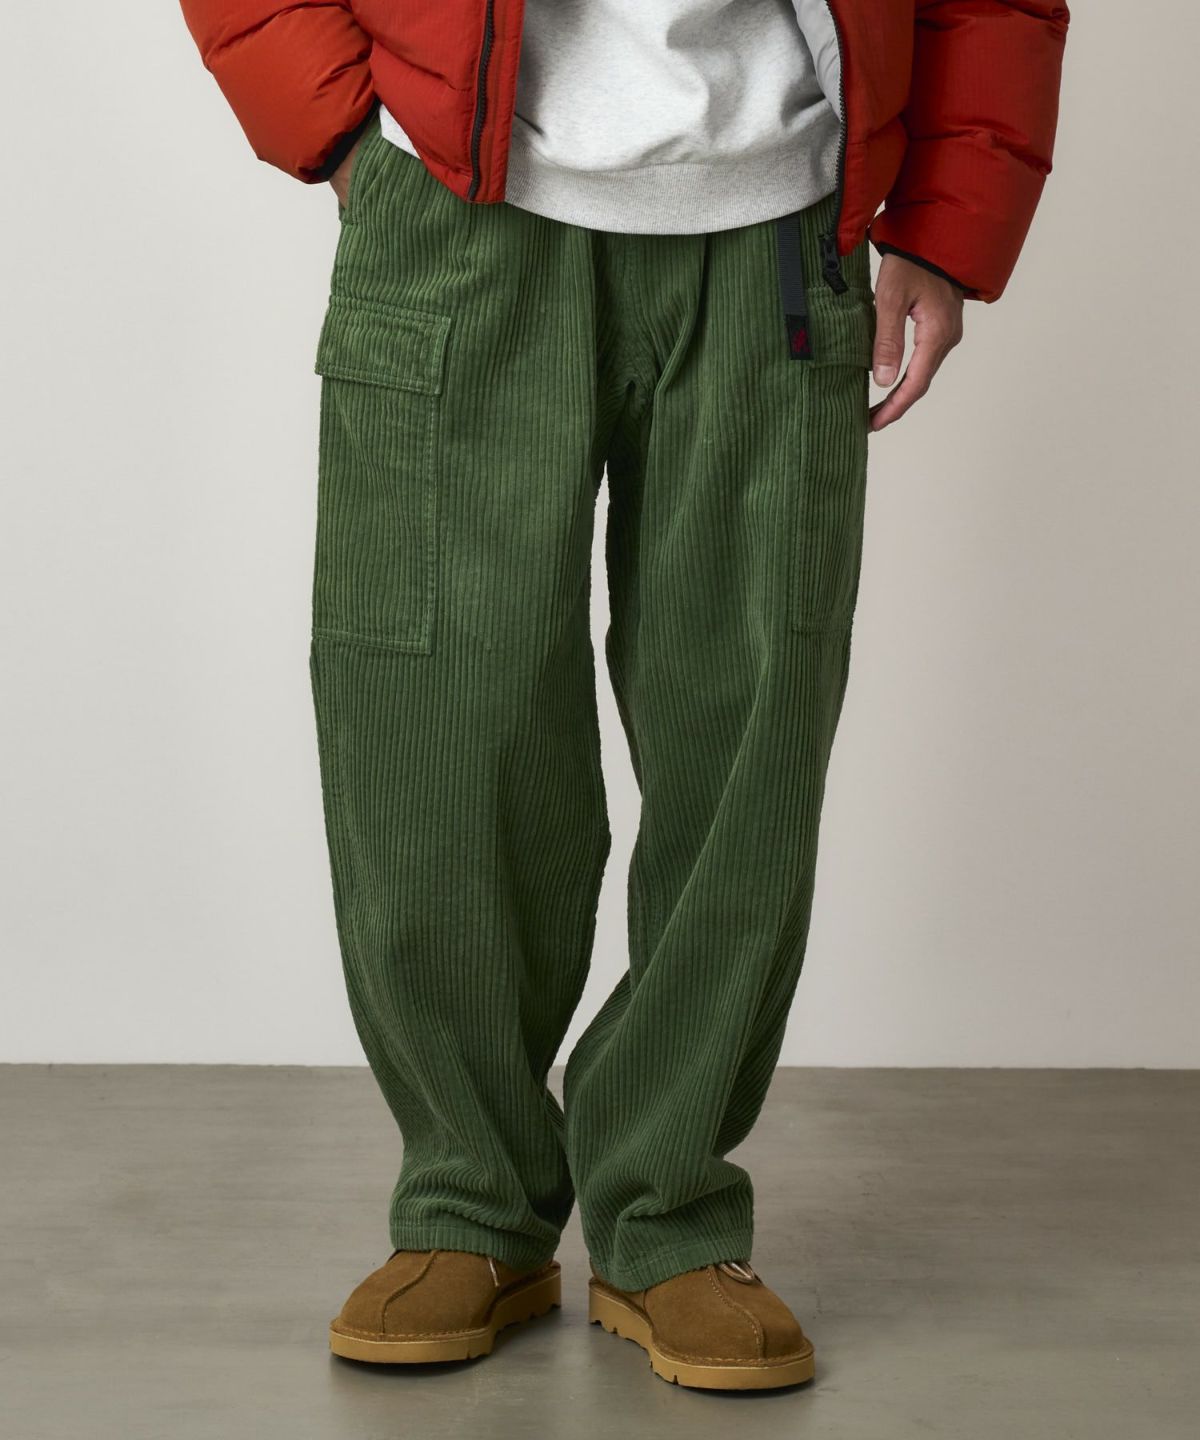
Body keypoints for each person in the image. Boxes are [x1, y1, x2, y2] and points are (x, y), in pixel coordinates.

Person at [179, 0, 1070, 1392]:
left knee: (748, 737)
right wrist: (342, 128)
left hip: (779, 227)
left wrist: (948, 227)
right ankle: (469, 1204)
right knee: (435, 727)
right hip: (459, 209)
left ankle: (668, 1217)